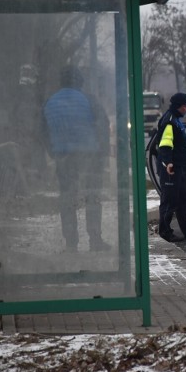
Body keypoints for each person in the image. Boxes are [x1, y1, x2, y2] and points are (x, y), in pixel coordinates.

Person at [43, 65, 111, 253]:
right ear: (79, 81)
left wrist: (54, 153)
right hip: (89, 156)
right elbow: (102, 126)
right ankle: (95, 240)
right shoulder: (89, 100)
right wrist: (102, 153)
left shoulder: (50, 102)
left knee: (67, 199)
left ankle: (71, 244)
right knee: (92, 197)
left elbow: (43, 131)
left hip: (64, 158)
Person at [157, 92, 186, 242]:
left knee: (183, 199)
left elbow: (175, 142)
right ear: (179, 106)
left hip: (178, 167)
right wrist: (168, 163)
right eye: (185, 106)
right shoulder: (170, 121)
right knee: (169, 201)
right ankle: (164, 231)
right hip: (171, 168)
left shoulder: (175, 120)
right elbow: (165, 145)